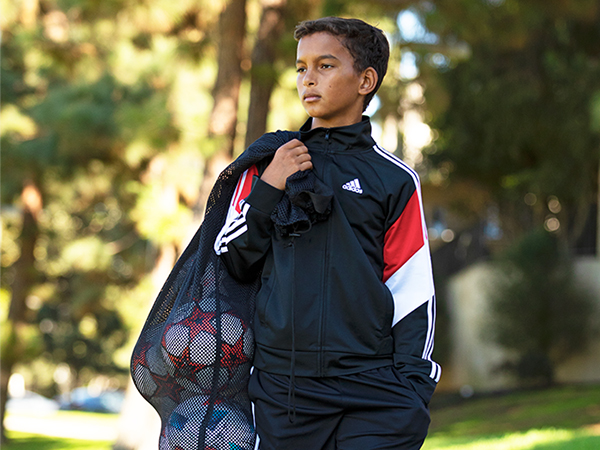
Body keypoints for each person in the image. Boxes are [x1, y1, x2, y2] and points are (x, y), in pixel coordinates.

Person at [214, 16, 440, 450]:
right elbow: (233, 258)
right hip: (285, 392)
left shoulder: (394, 180)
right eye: (301, 68)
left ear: (365, 80)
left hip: (372, 389)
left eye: (325, 66)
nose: (307, 79)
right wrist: (269, 187)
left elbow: (413, 289)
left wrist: (414, 387)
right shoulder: (269, 160)